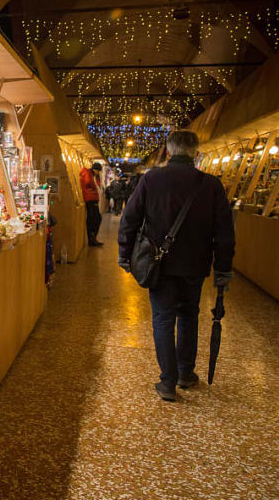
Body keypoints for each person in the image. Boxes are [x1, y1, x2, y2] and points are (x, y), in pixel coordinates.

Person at [117, 131, 235, 402]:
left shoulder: (151, 179)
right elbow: (225, 232)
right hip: (195, 264)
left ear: (169, 152)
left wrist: (125, 253)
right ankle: (185, 373)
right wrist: (223, 269)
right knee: (189, 316)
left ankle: (167, 382)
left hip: (159, 264)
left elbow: (130, 219)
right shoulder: (211, 185)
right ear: (196, 152)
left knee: (163, 318)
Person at [80, 161, 103, 246]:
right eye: (98, 171)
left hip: (91, 198)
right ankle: (92, 239)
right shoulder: (88, 174)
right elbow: (88, 182)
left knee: (93, 219)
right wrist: (93, 190)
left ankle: (92, 238)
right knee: (94, 219)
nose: (99, 173)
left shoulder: (89, 174)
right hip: (90, 199)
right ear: (95, 170)